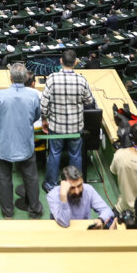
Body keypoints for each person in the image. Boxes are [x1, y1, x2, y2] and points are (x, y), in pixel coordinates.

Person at [0, 63, 43, 219]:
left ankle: (7, 212)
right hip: (25, 143)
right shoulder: (34, 95)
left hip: (4, 145)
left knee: (4, 179)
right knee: (31, 177)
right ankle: (34, 209)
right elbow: (36, 116)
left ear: (11, 78)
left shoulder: (0, 95)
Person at [40, 48, 93, 191]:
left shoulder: (51, 79)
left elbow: (43, 106)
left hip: (56, 128)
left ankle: (50, 185)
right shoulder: (81, 80)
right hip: (76, 128)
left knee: (54, 154)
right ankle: (74, 185)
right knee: (75, 155)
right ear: (75, 62)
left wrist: (44, 119)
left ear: (61, 61)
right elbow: (89, 101)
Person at [47, 165, 115, 228]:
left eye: (79, 186)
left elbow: (107, 210)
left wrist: (101, 220)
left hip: (83, 229)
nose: (77, 191)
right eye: (72, 188)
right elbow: (64, 223)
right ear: (64, 184)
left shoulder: (88, 189)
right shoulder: (53, 195)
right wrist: (63, 196)